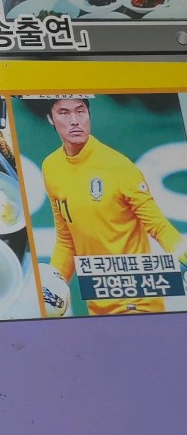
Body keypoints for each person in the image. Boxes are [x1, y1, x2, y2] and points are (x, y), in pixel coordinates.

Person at [42, 95, 187, 315]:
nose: (74, 120)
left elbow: (159, 226)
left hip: (138, 301)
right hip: (98, 303)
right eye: (64, 113)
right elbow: (66, 239)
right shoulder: (51, 167)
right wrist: (53, 286)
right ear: (50, 119)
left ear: (89, 114)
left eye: (80, 111)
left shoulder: (119, 166)